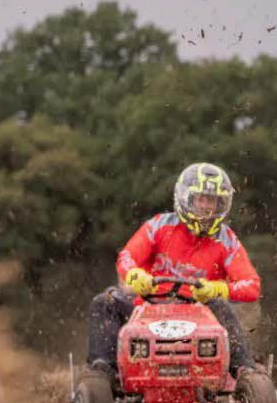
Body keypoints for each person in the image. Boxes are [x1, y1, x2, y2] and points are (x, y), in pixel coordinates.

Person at [85, 162, 261, 380]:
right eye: (201, 198)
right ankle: (103, 372)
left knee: (222, 306)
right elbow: (127, 256)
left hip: (200, 312)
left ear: (222, 204)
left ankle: (246, 372)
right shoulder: (160, 225)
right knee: (105, 302)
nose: (206, 206)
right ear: (187, 198)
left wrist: (217, 288)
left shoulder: (226, 240)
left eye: (212, 201)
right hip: (148, 306)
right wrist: (134, 275)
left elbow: (252, 286)